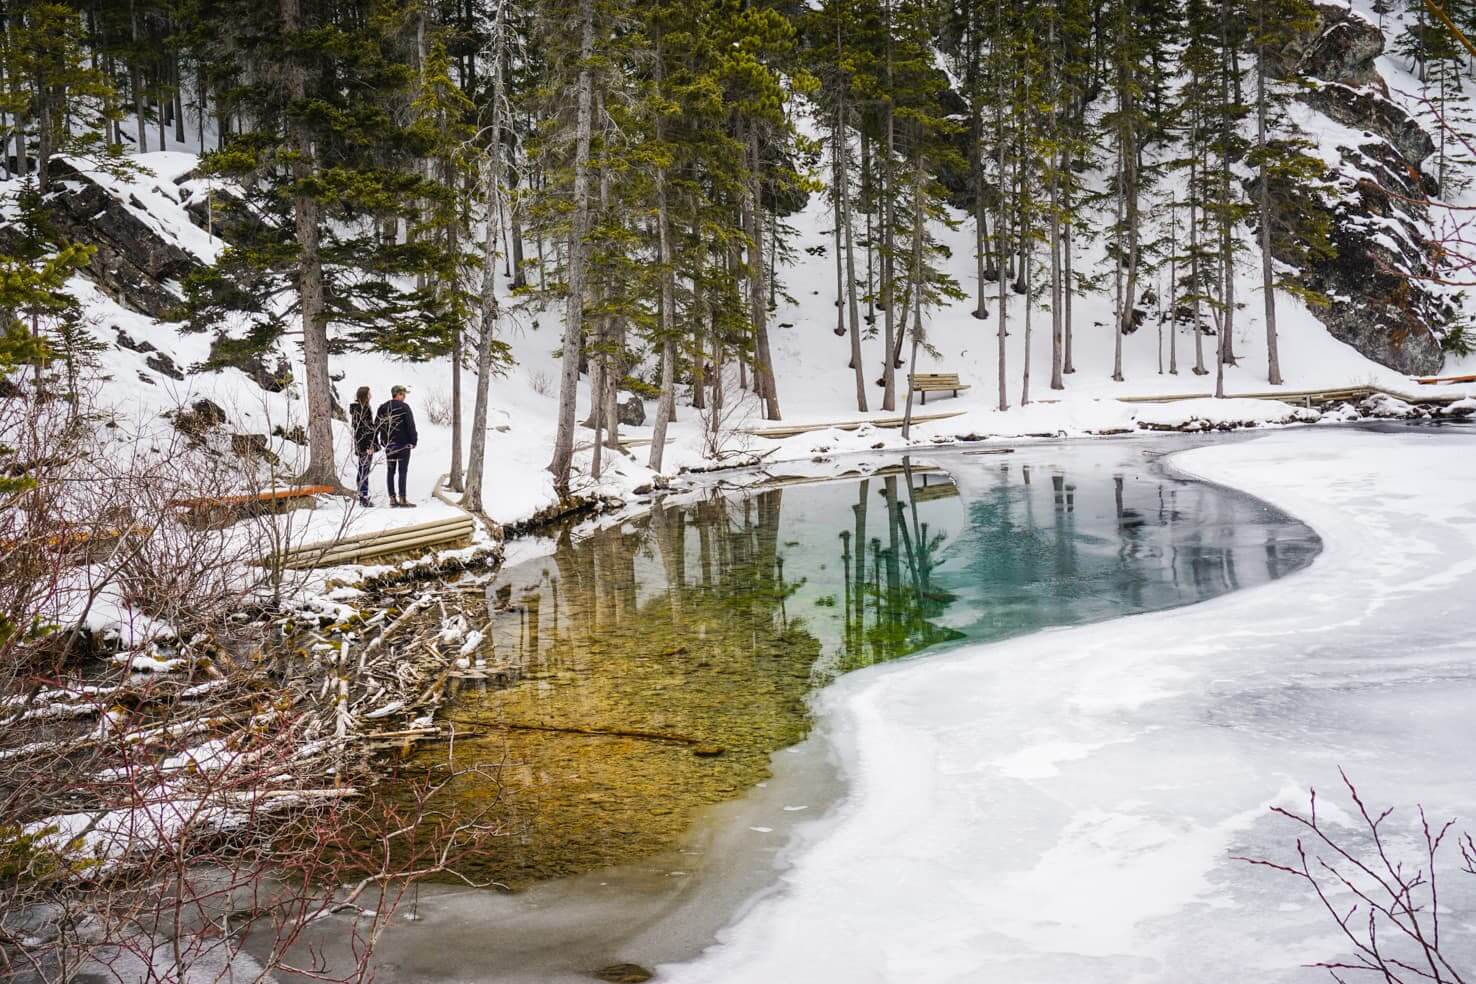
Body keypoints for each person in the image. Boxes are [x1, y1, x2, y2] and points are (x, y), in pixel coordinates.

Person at [375, 384, 418, 508]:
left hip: (389, 445)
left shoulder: (383, 408)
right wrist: (414, 441)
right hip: (404, 445)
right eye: (403, 394)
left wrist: (379, 441)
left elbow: (376, 425)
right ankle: (403, 498)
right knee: (402, 471)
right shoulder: (405, 407)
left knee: (390, 471)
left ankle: (392, 499)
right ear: (398, 394)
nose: (404, 397)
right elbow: (411, 425)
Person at [349, 386, 378, 507]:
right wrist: (369, 445)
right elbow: (366, 430)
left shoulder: (357, 409)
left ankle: (362, 494)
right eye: (369, 393)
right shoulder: (363, 409)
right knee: (364, 470)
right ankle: (364, 496)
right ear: (365, 396)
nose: (371, 395)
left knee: (362, 469)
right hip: (365, 444)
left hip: (360, 443)